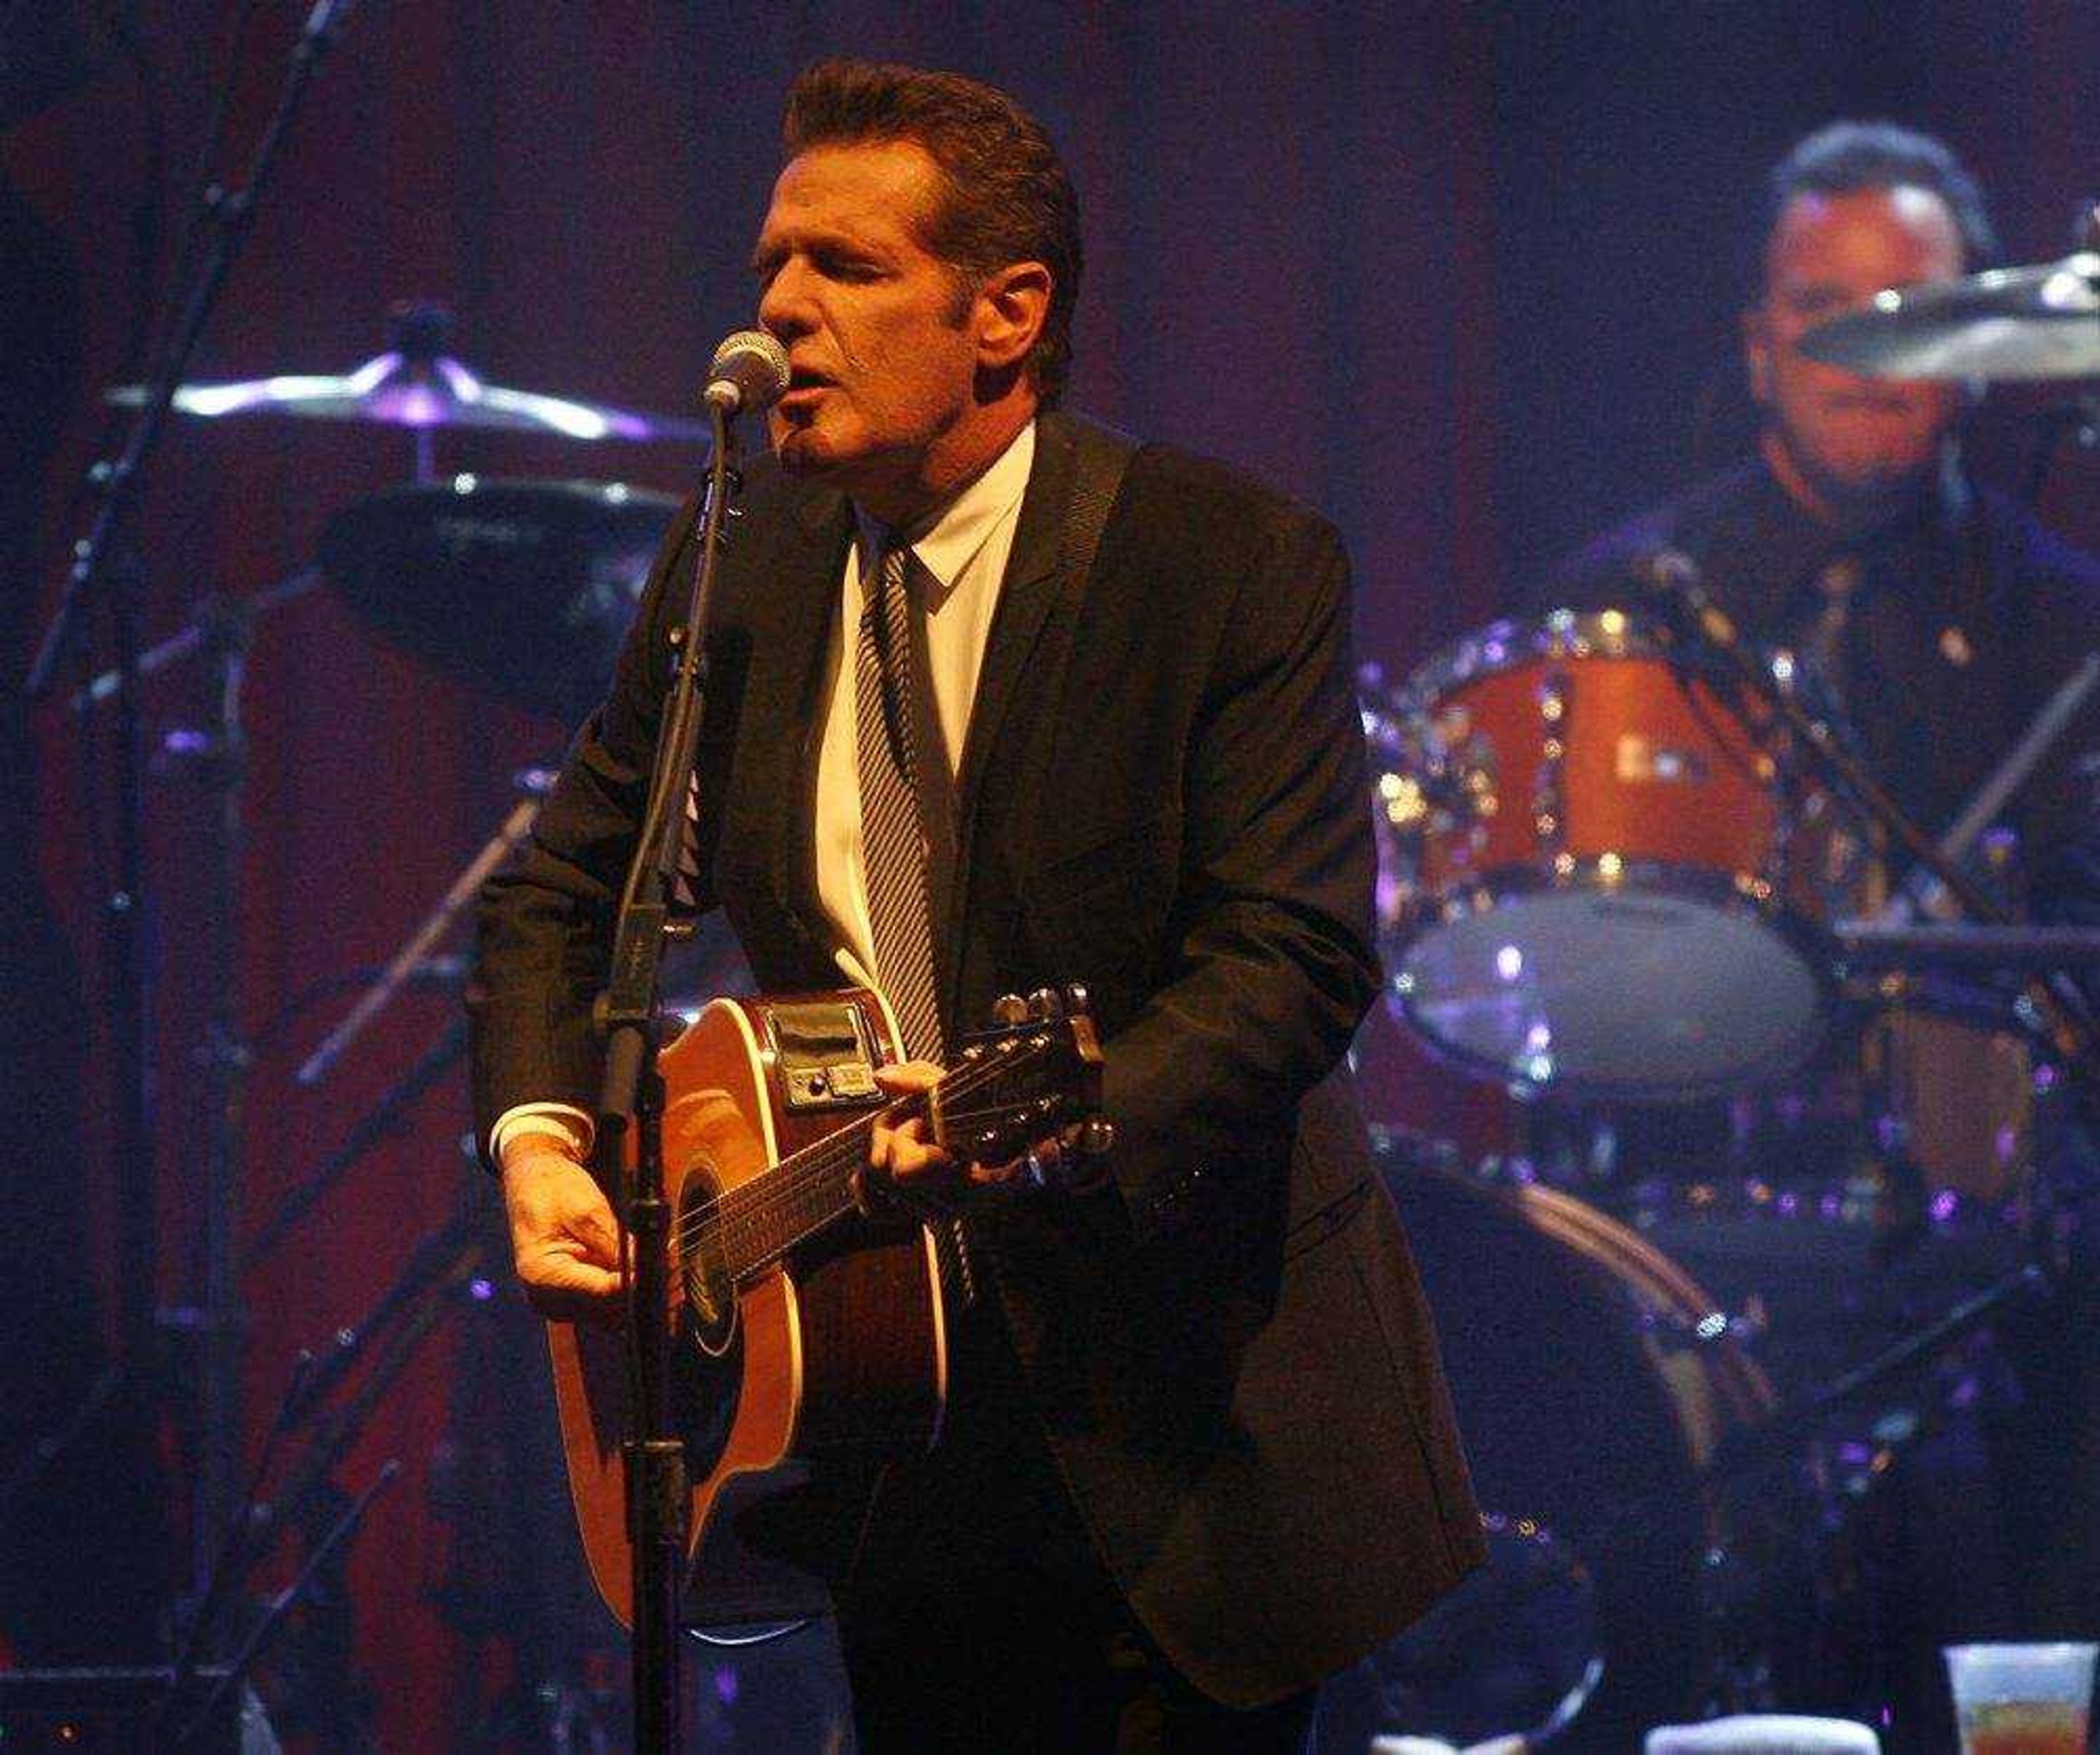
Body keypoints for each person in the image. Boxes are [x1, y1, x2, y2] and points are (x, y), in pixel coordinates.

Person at [468, 59, 1481, 1750]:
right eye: (772, 268)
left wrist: (1068, 1119)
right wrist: (542, 1143)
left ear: (1006, 314)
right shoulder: (750, 567)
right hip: (885, 1436)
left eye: (845, 270)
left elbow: (1293, 954)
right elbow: (568, 886)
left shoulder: (1223, 564)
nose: (780, 310)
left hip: (1184, 1433)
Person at [1539, 121, 2100, 1748]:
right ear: (1758, 343)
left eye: (1908, 305)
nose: (1866, 346)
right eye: (1822, 304)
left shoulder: (2065, 615)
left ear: (1983, 354)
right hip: (1677, 1193)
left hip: (2000, 1231)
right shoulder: (1639, 598)